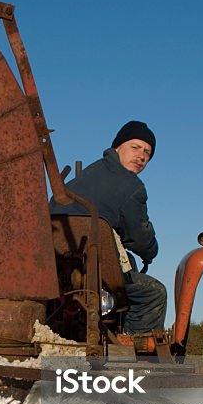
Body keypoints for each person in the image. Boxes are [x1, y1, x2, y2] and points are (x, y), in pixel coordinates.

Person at [50, 120, 167, 333]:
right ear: (117, 147)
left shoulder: (86, 175)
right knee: (153, 293)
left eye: (147, 153)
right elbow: (140, 238)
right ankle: (135, 354)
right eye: (135, 147)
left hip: (56, 269)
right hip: (96, 273)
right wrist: (151, 251)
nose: (141, 156)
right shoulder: (132, 187)